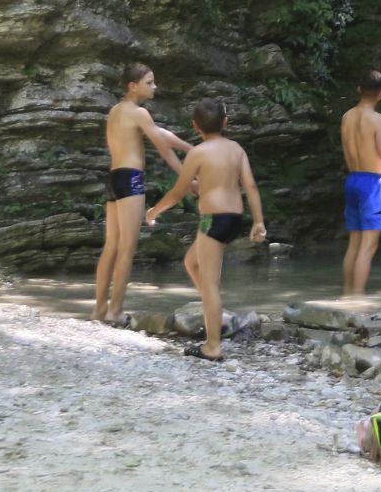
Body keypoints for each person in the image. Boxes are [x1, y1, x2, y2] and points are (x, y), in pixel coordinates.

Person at [144, 99, 267, 361]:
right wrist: (258, 221)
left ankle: (213, 346)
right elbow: (251, 187)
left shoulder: (197, 153)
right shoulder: (236, 149)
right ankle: (217, 317)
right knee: (192, 262)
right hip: (234, 219)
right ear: (226, 122)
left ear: (195, 126)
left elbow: (178, 192)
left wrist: (154, 211)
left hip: (213, 220)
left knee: (210, 284)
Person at [91, 62, 191, 323]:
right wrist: (187, 176)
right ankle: (116, 311)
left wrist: (190, 148)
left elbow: (161, 134)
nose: (154, 86)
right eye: (149, 82)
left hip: (114, 178)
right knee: (127, 247)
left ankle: (99, 309)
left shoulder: (116, 111)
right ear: (133, 86)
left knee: (111, 245)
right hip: (132, 179)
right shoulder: (140, 113)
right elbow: (164, 149)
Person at [341, 70, 381, 295]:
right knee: (368, 247)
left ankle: (348, 295)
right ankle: (357, 300)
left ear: (359, 89)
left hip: (353, 180)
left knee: (354, 243)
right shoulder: (379, 121)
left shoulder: (347, 117)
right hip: (373, 184)